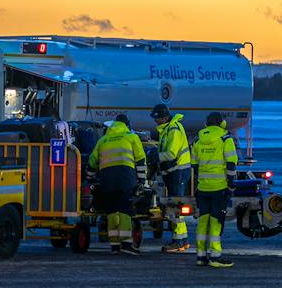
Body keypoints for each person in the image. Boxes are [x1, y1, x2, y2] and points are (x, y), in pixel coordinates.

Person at [92, 113, 147, 255]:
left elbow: (92, 162)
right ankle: (126, 244)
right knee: (124, 210)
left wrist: (90, 178)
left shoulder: (103, 140)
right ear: (127, 124)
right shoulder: (131, 137)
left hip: (106, 180)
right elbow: (140, 160)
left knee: (111, 211)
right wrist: (142, 181)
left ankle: (114, 246)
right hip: (125, 178)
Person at [192, 111, 236, 269]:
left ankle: (201, 256)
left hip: (203, 188)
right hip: (219, 188)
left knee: (203, 222)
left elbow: (194, 165)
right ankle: (215, 256)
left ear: (206, 124)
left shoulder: (198, 139)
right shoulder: (225, 139)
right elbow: (231, 165)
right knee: (216, 222)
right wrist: (231, 184)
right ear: (222, 123)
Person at [152, 104, 194, 253]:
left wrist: (154, 156)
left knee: (176, 206)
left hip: (178, 172)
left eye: (157, 118)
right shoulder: (167, 129)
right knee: (175, 206)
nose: (155, 121)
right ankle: (182, 240)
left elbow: (171, 154)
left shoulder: (173, 130)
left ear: (163, 117)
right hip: (174, 172)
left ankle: (179, 241)